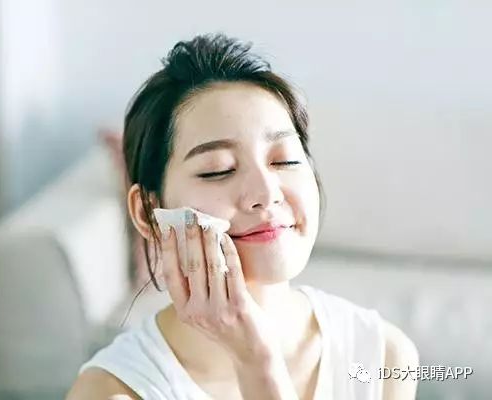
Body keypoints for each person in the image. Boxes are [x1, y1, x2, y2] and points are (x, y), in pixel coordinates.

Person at [67, 33, 419, 400]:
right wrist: (256, 361)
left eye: (284, 160)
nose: (266, 193)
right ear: (148, 212)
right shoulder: (111, 391)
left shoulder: (383, 356)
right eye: (218, 170)